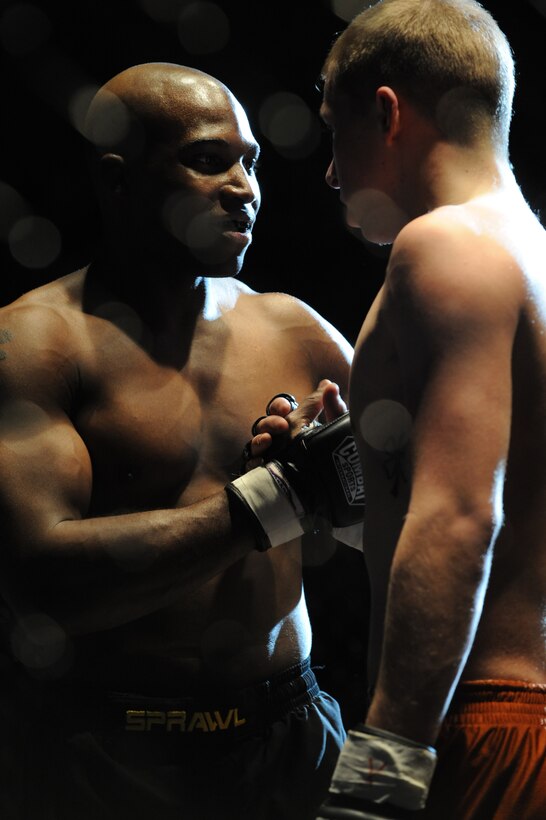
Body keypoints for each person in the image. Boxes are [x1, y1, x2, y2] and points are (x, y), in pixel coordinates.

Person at [0, 62, 358, 820]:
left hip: (292, 731)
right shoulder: (37, 344)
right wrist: (272, 500)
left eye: (252, 162)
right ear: (119, 180)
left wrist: (344, 487)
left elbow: (413, 515)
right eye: (207, 159)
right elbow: (39, 582)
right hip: (113, 752)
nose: (245, 188)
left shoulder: (294, 329)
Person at [255, 1, 546, 817]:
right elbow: (503, 507)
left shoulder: (445, 244)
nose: (328, 171)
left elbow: (459, 519)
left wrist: (382, 765)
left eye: (332, 132)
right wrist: (338, 490)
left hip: (480, 718)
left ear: (385, 112)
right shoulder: (529, 254)